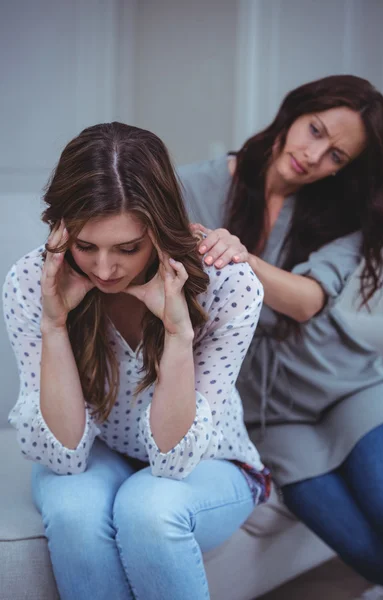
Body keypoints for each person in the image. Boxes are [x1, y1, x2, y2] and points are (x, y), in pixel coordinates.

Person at [3, 122, 270, 600]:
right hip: (101, 452)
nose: (104, 269)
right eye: (86, 246)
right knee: (73, 510)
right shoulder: (33, 280)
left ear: (160, 230)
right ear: (61, 230)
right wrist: (54, 325)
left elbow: (173, 461)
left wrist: (176, 331)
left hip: (208, 463)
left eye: (127, 248)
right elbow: (61, 457)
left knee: (148, 508)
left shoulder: (229, 285)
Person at [178, 75, 383, 594]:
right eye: (315, 130)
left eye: (336, 156)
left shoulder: (345, 213)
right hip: (268, 412)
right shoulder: (190, 187)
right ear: (293, 113)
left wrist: (239, 254)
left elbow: (306, 301)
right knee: (365, 548)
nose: (315, 154)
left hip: (346, 387)